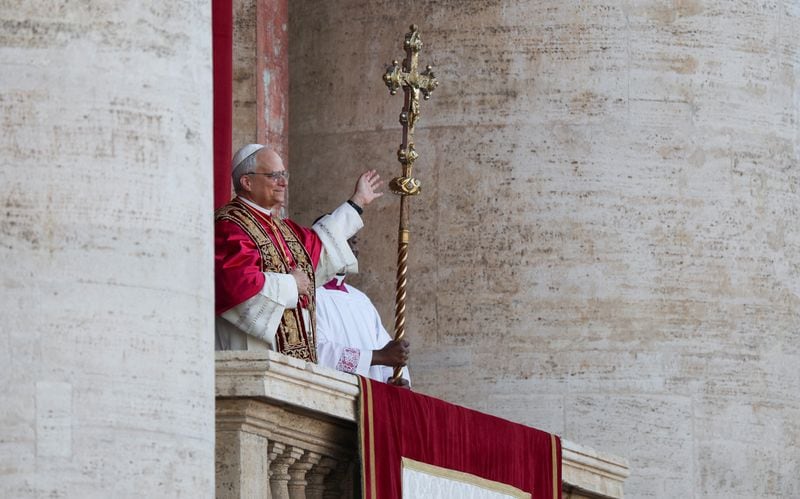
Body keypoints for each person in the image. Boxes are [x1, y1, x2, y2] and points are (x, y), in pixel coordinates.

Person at [214, 144, 383, 362]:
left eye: (284, 175)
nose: (283, 182)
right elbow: (236, 286)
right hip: (249, 358)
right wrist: (291, 285)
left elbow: (321, 244)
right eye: (274, 176)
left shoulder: (283, 228)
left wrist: (357, 202)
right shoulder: (229, 225)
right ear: (247, 182)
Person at [315, 236, 411, 386]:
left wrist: (393, 379)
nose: (355, 248)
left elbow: (387, 349)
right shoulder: (310, 294)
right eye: (348, 239)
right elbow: (318, 353)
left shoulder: (360, 299)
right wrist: (377, 356)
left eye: (355, 241)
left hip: (372, 394)